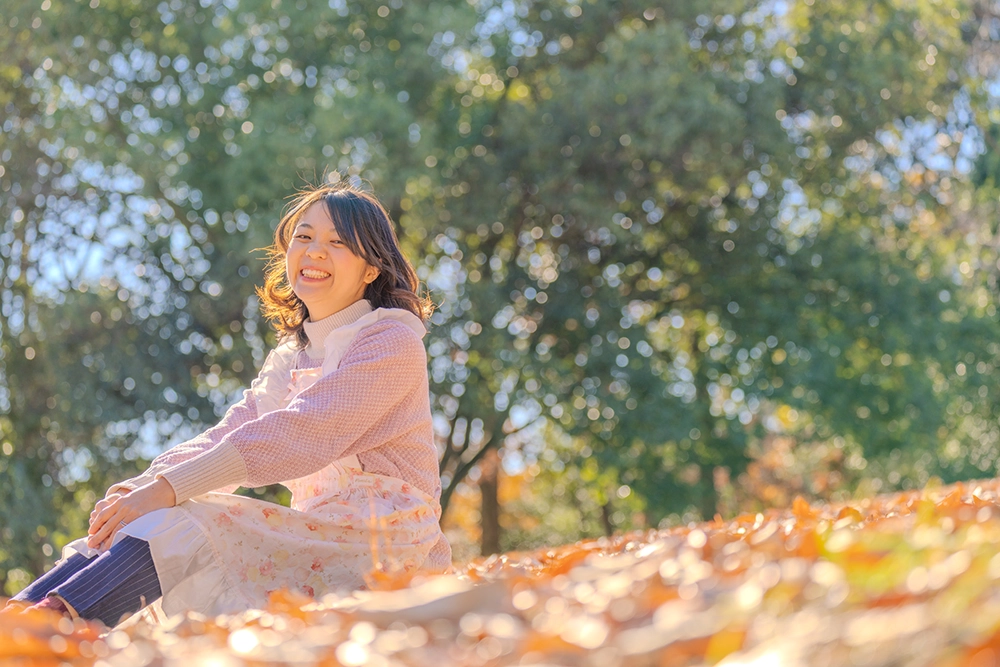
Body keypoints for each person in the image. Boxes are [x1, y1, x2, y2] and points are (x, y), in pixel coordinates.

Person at [1, 182, 452, 628]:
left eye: (337, 242)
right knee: (148, 516)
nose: (314, 251)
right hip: (322, 534)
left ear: (371, 268)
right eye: (304, 236)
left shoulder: (391, 341)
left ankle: (48, 628)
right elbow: (230, 432)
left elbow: (304, 431)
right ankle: (16, 619)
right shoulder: (293, 354)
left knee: (193, 520)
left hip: (389, 545)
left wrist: (167, 489)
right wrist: (147, 486)